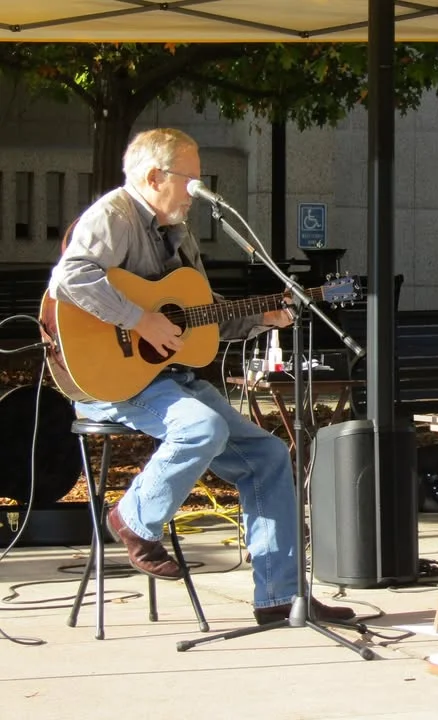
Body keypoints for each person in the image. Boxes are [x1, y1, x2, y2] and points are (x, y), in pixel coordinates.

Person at [48, 128, 355, 624]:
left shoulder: (178, 233)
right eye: (190, 179)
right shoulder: (114, 214)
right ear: (153, 176)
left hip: (167, 381)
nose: (197, 190)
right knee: (202, 426)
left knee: (271, 455)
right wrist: (138, 319)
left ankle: (278, 597)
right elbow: (72, 277)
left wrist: (264, 316)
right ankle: (131, 517)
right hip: (108, 384)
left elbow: (196, 315)